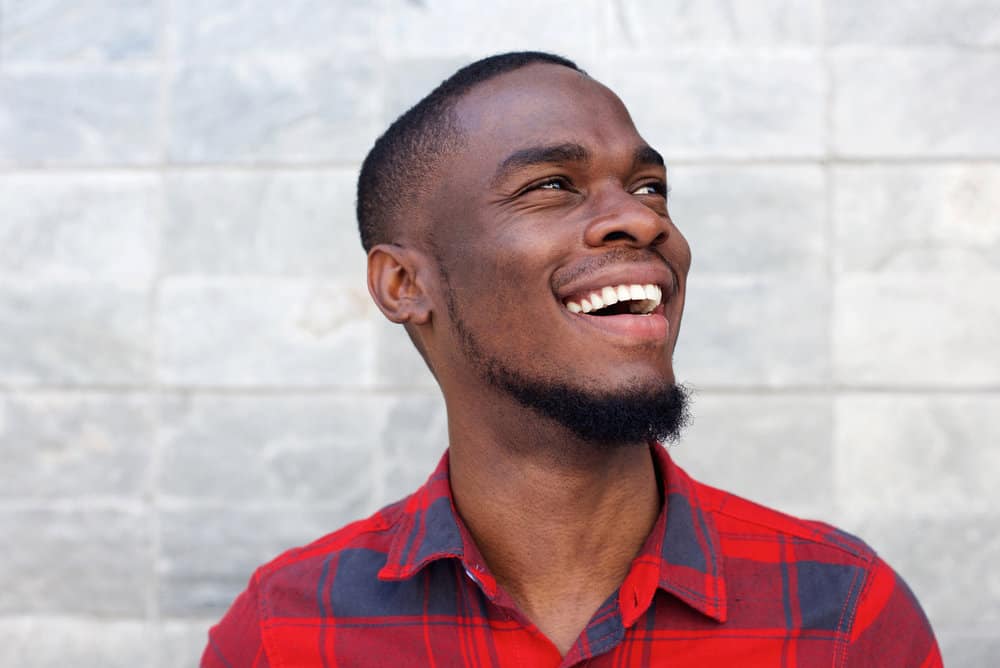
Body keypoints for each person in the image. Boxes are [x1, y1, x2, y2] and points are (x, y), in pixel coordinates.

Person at [202, 52, 941, 667]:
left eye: (650, 187)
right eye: (552, 186)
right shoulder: (285, 633)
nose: (642, 219)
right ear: (404, 285)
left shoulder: (842, 614)